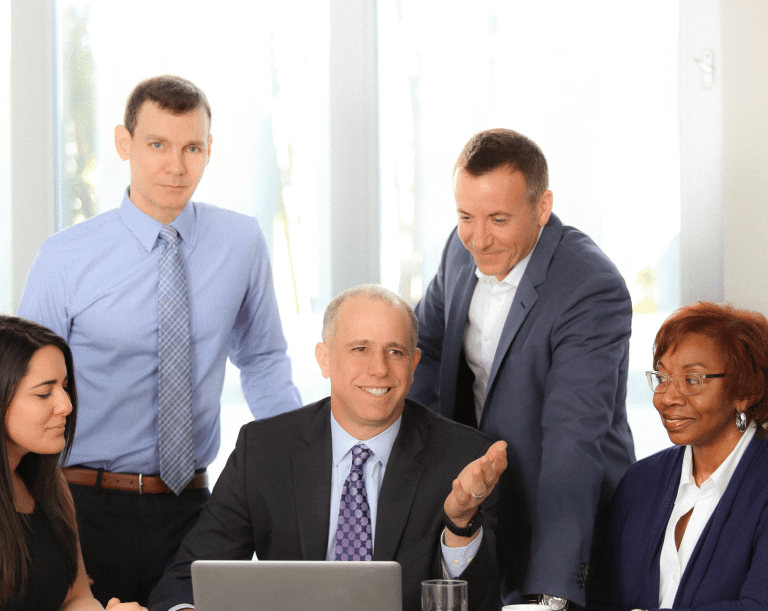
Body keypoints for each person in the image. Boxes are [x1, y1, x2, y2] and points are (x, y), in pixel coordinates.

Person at [17, 75, 302, 606]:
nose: (176, 166)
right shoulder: (65, 257)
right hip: (81, 504)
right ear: (124, 144)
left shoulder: (240, 242)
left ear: (209, 150)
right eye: (157, 145)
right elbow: (17, 387)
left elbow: (262, 361)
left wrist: (302, 468)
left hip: (194, 506)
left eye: (192, 147)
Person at [147, 285, 508, 611]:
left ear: (413, 365)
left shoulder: (464, 459)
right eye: (360, 349)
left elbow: (481, 602)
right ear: (324, 359)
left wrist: (460, 525)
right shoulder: (262, 450)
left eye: (394, 352)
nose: (378, 369)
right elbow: (185, 584)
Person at [408, 128, 636, 608]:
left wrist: (553, 595)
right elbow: (422, 353)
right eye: (466, 216)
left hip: (566, 521)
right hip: (481, 509)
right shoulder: (458, 248)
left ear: (542, 206)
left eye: (498, 218)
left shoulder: (591, 287)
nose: (479, 238)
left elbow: (572, 442)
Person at [587, 302, 768, 611]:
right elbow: (603, 598)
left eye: (692, 381)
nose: (667, 398)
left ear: (746, 391)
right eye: (662, 377)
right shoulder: (640, 480)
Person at [0, 315, 147, 611]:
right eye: (44, 393)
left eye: (65, 386)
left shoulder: (49, 482)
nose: (66, 405)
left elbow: (76, 596)